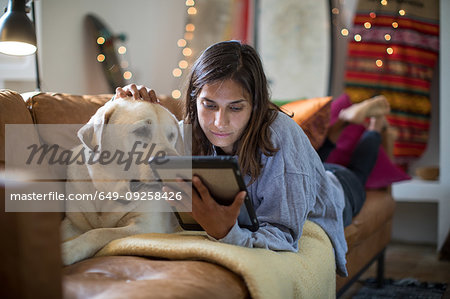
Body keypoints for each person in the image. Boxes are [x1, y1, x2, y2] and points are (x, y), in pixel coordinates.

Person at [115, 40, 390, 277]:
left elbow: (283, 235)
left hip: (338, 189)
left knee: (356, 171)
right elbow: (147, 161)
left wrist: (227, 233)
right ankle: (343, 120)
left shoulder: (280, 136)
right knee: (321, 156)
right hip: (303, 169)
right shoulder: (192, 129)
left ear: (255, 105)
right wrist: (133, 109)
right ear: (194, 99)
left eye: (235, 108)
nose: (219, 122)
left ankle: (373, 127)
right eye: (209, 105)